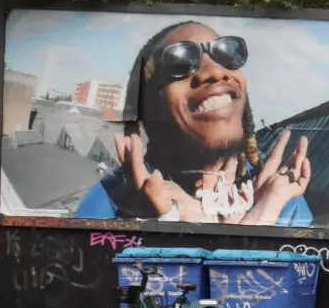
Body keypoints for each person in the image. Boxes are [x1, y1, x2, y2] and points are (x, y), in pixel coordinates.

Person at [74, 21, 312, 226]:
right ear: (148, 106)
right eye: (180, 62)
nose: (216, 72)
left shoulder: (282, 197)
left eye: (227, 54)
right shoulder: (112, 202)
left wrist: (260, 219)